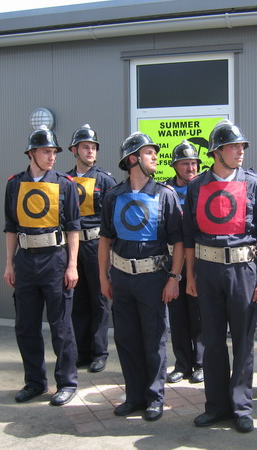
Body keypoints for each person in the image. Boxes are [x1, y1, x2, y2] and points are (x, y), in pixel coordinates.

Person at [182, 120, 257, 433]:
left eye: (242, 146)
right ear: (216, 152)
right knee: (211, 341)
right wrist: (190, 276)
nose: (240, 151)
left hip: (243, 272)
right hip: (207, 271)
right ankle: (216, 406)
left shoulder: (255, 185)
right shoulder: (196, 186)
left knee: (243, 341)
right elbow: (188, 238)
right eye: (233, 146)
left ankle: (241, 406)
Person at [98, 132, 183, 422]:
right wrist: (103, 278)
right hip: (121, 278)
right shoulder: (113, 196)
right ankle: (134, 396)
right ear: (133, 159)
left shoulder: (165, 195)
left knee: (154, 339)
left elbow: (179, 242)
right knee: (126, 338)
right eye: (148, 152)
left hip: (153, 279)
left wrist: (174, 278)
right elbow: (105, 240)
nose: (155, 156)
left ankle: (155, 397)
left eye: (154, 152)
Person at [3, 126, 80, 407]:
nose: (52, 157)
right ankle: (35, 382)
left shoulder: (65, 183)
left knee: (61, 326)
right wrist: (9, 263)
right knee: (26, 325)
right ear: (31, 153)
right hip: (25, 260)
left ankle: (67, 383)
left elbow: (73, 228)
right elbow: (11, 227)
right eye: (46, 152)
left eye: (54, 152)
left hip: (55, 260)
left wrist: (72, 265)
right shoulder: (14, 184)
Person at [67, 124, 116, 373]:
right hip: (73, 247)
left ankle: (99, 352)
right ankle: (81, 352)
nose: (90, 151)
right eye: (85, 147)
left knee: (98, 300)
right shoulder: (64, 180)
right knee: (77, 300)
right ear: (74, 150)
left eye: (93, 147)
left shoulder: (105, 180)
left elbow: (113, 219)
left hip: (97, 246)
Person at [165, 140, 205, 385]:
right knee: (177, 314)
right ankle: (182, 364)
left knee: (198, 313)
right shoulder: (165, 190)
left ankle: (200, 363)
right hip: (172, 261)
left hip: (198, 259)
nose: (191, 168)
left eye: (194, 163)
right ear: (175, 166)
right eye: (185, 164)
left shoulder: (203, 188)